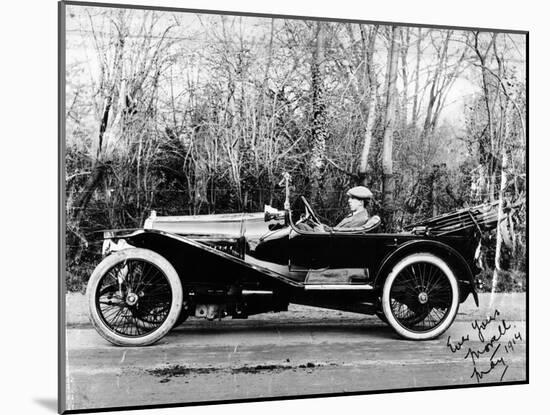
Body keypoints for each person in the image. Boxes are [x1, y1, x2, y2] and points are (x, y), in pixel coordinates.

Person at [297, 185, 373, 232]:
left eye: (352, 198)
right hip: (330, 238)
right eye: (349, 198)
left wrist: (324, 232)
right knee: (301, 226)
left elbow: (344, 236)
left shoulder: (361, 219)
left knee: (298, 229)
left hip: (331, 244)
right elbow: (339, 229)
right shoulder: (354, 215)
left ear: (361, 202)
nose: (349, 201)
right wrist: (325, 228)